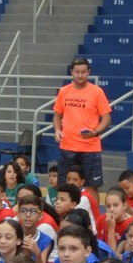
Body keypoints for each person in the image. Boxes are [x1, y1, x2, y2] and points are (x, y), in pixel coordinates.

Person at [51, 57, 112, 190]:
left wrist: (95, 132)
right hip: (67, 146)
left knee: (91, 187)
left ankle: (92, 212)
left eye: (83, 72)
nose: (80, 75)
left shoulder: (97, 92)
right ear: (72, 72)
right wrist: (57, 130)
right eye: (77, 72)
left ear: (88, 72)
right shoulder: (64, 91)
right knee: (64, 187)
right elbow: (57, 115)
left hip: (90, 147)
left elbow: (107, 119)